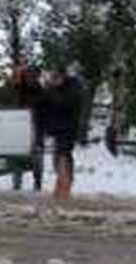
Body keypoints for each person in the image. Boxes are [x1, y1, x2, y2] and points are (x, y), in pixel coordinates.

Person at [40, 66, 83, 198]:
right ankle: (61, 185)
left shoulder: (73, 88)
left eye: (56, 77)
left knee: (63, 157)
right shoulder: (59, 89)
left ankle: (65, 186)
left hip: (68, 129)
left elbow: (62, 102)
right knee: (58, 157)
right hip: (58, 129)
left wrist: (50, 89)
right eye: (52, 77)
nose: (53, 80)